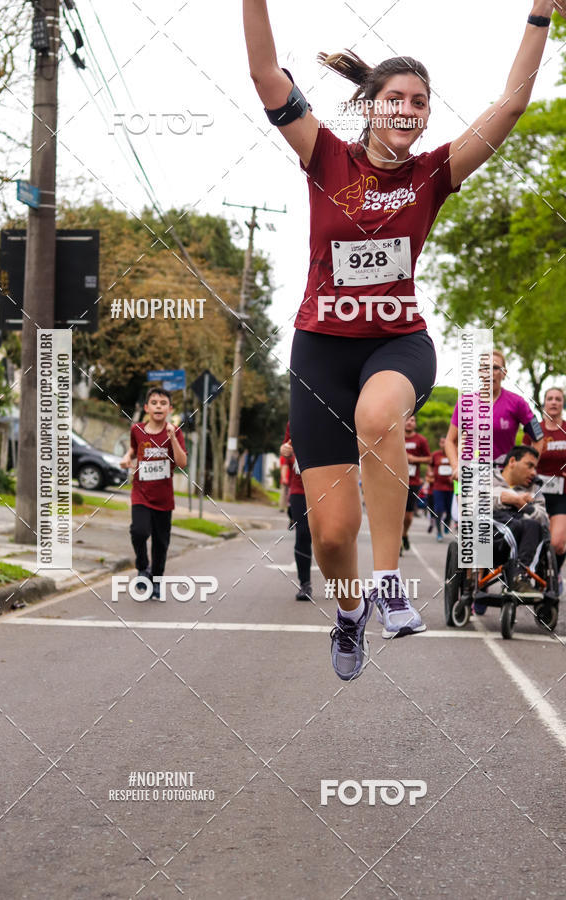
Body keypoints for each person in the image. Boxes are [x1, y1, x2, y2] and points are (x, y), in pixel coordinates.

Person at [243, 0, 562, 681]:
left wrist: (538, 17)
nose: (409, 109)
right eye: (396, 98)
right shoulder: (326, 155)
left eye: (420, 101)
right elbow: (267, 73)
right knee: (331, 534)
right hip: (320, 350)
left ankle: (388, 583)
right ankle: (350, 610)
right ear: (371, 106)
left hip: (398, 342)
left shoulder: (433, 173)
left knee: (378, 415)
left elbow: (510, 105)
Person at [120, 387, 187, 599]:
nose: (159, 406)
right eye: (154, 403)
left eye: (163, 403)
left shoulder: (175, 432)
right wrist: (127, 457)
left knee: (161, 542)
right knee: (138, 531)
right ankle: (142, 568)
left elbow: (182, 463)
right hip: (141, 492)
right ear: (147, 408)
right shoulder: (137, 430)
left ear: (170, 409)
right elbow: (134, 448)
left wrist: (172, 438)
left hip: (164, 497)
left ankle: (156, 580)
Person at [445, 349, 544, 472]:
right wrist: (456, 467)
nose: (490, 373)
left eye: (495, 368)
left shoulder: (518, 402)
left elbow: (538, 437)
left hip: (503, 475)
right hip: (470, 474)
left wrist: (528, 469)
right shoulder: (465, 402)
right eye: (485, 368)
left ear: (504, 373)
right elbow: (450, 441)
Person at [492, 445, 550, 598]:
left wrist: (522, 505)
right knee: (514, 524)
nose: (534, 472)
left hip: (524, 542)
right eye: (529, 466)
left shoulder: (534, 488)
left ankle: (519, 577)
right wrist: (503, 498)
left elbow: (543, 518)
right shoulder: (487, 478)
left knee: (534, 526)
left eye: (535, 468)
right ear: (512, 461)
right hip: (491, 540)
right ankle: (516, 578)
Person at [523, 386, 566, 575]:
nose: (554, 402)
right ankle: (541, 577)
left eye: (558, 399)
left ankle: (554, 575)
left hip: (562, 494)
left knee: (557, 543)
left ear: (563, 404)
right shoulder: (534, 430)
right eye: (550, 399)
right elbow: (524, 460)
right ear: (544, 403)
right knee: (536, 539)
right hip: (536, 493)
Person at [280, 423, 313, 601]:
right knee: (302, 534)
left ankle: (341, 584)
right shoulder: (295, 421)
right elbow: (286, 448)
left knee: (330, 538)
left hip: (326, 488)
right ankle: (305, 584)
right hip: (299, 488)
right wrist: (284, 449)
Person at [403, 416, 431, 551]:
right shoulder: (395, 437)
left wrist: (414, 459)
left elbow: (429, 459)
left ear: (415, 424)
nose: (409, 422)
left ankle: (404, 534)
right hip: (394, 480)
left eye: (412, 420)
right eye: (407, 419)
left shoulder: (421, 440)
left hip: (412, 481)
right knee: (395, 513)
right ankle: (397, 541)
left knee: (408, 515)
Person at [428, 435, 454, 542]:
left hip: (451, 488)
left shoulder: (454, 454)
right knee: (438, 510)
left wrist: (455, 475)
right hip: (438, 487)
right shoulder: (435, 455)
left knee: (449, 510)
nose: (443, 444)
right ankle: (439, 532)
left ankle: (447, 522)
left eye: (445, 442)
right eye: (442, 442)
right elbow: (430, 465)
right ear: (440, 444)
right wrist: (430, 473)